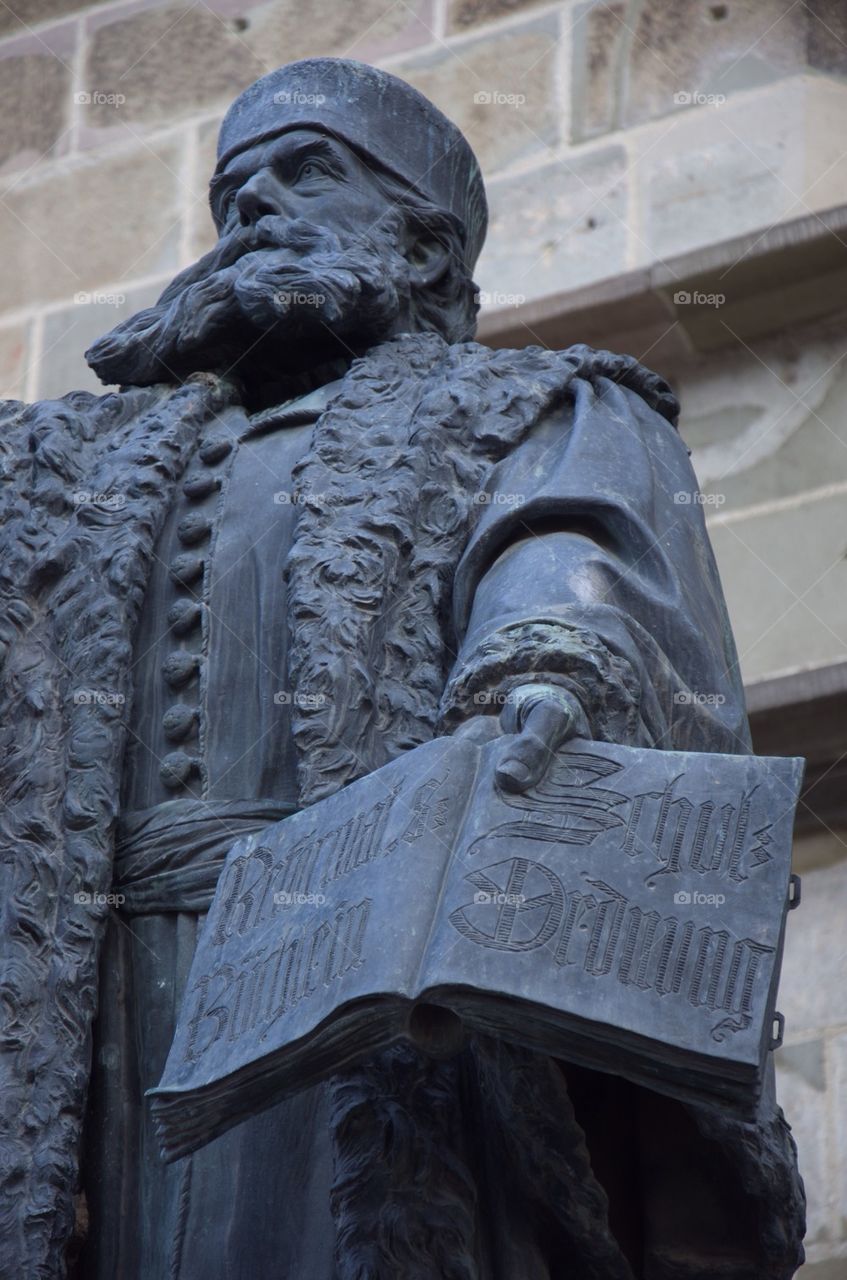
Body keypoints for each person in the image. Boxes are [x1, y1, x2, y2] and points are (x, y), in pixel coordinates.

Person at [0, 58, 804, 1280]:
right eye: (231, 193)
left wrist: (546, 669)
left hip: (380, 970)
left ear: (426, 250)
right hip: (115, 995)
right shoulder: (68, 470)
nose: (253, 207)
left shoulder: (533, 405)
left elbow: (573, 553)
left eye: (304, 170)